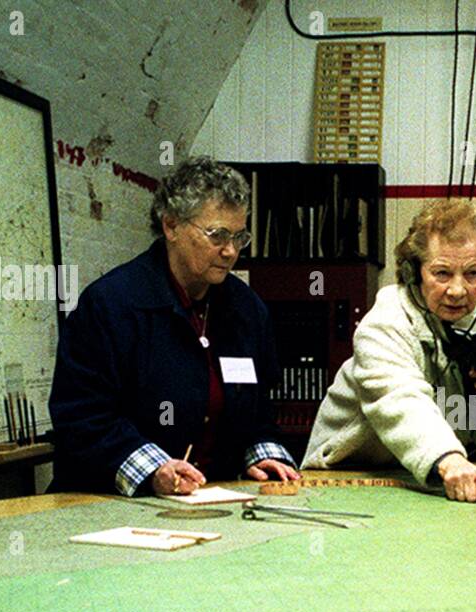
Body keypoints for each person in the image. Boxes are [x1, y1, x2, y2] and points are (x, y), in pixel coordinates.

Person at [49, 156, 299, 495]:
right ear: (171, 226)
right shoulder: (111, 305)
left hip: (212, 503)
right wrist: (155, 469)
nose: (230, 251)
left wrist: (262, 452)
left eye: (239, 237)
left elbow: (260, 412)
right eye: (217, 235)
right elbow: (81, 419)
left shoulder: (248, 310)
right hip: (108, 505)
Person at [302, 199, 476, 504]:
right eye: (442, 273)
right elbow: (401, 401)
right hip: (347, 477)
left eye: (473, 274)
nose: (458, 290)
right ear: (413, 272)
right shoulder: (385, 322)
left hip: (430, 475)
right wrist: (449, 459)